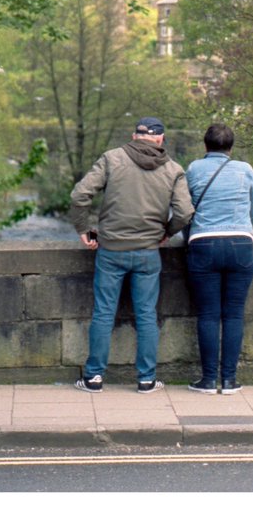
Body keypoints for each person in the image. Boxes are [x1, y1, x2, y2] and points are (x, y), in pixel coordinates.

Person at [69, 117, 193, 394]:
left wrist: (83, 228)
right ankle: (146, 379)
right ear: (161, 139)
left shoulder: (112, 159)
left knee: (103, 312)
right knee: (147, 315)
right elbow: (184, 212)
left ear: (134, 136)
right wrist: (166, 233)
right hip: (148, 252)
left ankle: (94, 378)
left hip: (111, 249)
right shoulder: (173, 169)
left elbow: (80, 195)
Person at [184, 123, 253, 395]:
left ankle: (208, 380)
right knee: (233, 315)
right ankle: (229, 380)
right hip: (240, 243)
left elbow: (184, 209)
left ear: (205, 146)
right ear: (231, 147)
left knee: (208, 314)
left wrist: (189, 236)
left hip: (203, 243)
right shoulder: (245, 169)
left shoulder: (194, 169)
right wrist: (251, 235)